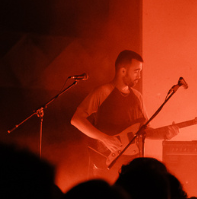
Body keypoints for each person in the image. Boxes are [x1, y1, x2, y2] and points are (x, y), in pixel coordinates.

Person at [71, 50, 179, 179]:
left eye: (140, 71)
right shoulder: (103, 92)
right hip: (106, 165)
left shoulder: (138, 97)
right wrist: (104, 138)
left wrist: (165, 134)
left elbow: (145, 131)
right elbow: (76, 119)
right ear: (123, 71)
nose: (139, 76)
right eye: (136, 71)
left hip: (132, 166)